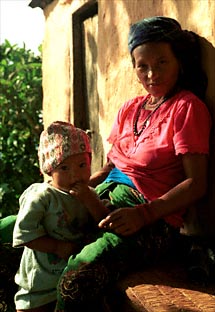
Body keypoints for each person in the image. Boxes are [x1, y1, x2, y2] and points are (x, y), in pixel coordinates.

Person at [55, 16, 212, 311]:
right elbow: (111, 166)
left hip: (151, 219)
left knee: (78, 277)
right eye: (143, 65)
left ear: (178, 60)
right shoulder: (130, 108)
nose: (152, 74)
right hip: (103, 200)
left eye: (162, 62)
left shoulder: (187, 108)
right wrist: (77, 188)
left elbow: (196, 184)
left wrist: (144, 214)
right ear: (134, 67)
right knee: (11, 232)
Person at [12, 121, 111, 312]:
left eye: (82, 165)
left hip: (68, 281)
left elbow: (105, 223)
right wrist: (57, 246)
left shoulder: (89, 194)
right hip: (38, 286)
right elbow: (24, 234)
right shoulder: (42, 196)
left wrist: (90, 200)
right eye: (65, 168)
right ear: (49, 170)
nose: (75, 174)